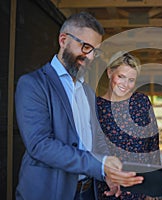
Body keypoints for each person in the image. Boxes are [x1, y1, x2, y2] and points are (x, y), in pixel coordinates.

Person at [14, 12, 143, 200]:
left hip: (88, 191)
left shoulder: (87, 91)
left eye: (95, 51)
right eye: (85, 47)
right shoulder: (33, 84)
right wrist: (100, 165)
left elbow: (95, 138)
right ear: (63, 40)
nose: (90, 57)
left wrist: (108, 173)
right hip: (49, 192)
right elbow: (40, 145)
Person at [95, 52, 161, 200]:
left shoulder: (141, 101)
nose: (125, 84)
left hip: (141, 184)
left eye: (131, 80)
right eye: (121, 77)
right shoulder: (96, 106)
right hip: (109, 184)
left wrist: (154, 186)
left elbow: (153, 144)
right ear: (110, 72)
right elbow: (93, 147)